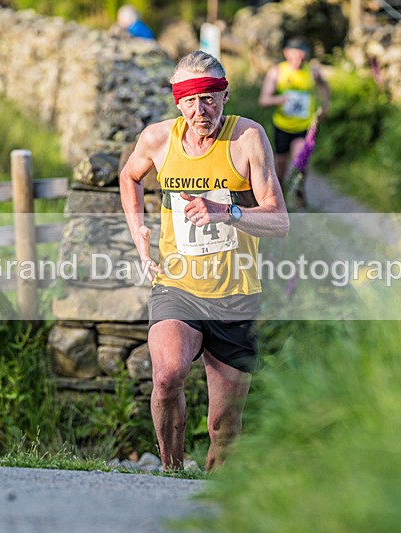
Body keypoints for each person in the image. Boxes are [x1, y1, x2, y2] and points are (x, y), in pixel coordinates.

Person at [120, 51, 289, 471]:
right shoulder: (158, 140)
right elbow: (129, 176)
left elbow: (280, 220)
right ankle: (171, 471)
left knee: (223, 426)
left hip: (236, 294)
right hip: (178, 286)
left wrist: (226, 212)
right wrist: (138, 231)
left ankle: (211, 496)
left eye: (210, 97)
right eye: (191, 99)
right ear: (178, 102)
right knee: (166, 374)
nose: (201, 109)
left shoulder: (248, 138)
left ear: (226, 95)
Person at [258, 37, 330, 207]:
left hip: (304, 126)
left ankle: (299, 191)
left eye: (301, 56)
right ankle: (279, 196)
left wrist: (326, 104)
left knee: (301, 160)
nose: (298, 60)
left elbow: (324, 85)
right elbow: (264, 99)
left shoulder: (312, 72)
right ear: (286, 54)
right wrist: (280, 99)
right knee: (281, 165)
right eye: (294, 55)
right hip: (282, 126)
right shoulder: (276, 72)